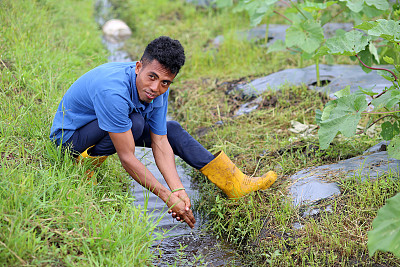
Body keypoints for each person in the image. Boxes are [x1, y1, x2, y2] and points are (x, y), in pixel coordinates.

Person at [50, 36, 277, 228]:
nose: (156, 88)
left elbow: (160, 141)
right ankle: (84, 167)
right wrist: (166, 197)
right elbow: (127, 158)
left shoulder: (159, 89)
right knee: (136, 123)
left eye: (165, 83)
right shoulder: (113, 91)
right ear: (138, 67)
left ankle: (234, 183)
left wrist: (177, 189)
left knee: (172, 130)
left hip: (107, 126)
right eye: (152, 77)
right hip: (70, 140)